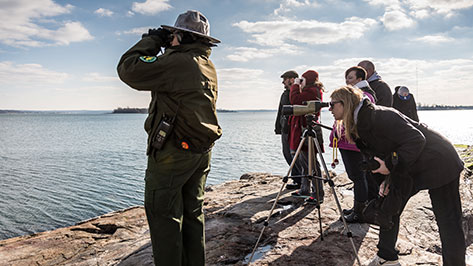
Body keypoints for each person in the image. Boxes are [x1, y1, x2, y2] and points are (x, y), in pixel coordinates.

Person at [117, 10, 222, 266]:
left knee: (163, 216)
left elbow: (128, 69)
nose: (169, 39)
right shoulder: (205, 64)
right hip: (200, 151)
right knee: (192, 214)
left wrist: (152, 40)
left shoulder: (179, 62)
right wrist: (167, 42)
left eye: (173, 35)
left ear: (183, 37)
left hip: (174, 153)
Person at [329, 85, 465, 266]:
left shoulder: (379, 116)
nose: (329, 109)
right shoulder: (361, 121)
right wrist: (386, 179)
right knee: (389, 205)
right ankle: (386, 257)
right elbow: (385, 150)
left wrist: (390, 165)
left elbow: (416, 139)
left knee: (448, 219)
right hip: (412, 165)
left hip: (440, 161)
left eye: (332, 104)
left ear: (344, 104)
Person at [329, 66, 378, 223]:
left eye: (350, 77)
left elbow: (355, 121)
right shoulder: (358, 95)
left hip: (352, 143)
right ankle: (364, 207)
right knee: (360, 176)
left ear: (360, 79)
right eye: (346, 78)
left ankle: (360, 212)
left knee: (358, 177)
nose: (347, 80)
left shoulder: (363, 96)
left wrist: (342, 133)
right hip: (349, 142)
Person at [288, 70, 325, 204]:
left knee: (311, 163)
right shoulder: (312, 90)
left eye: (302, 80)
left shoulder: (311, 91)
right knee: (305, 161)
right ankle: (305, 189)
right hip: (303, 127)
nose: (300, 82)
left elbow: (295, 100)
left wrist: (295, 86)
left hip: (307, 128)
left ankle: (318, 194)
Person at [275, 70, 302, 189]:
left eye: (284, 80)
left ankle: (299, 180)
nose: (282, 82)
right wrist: (278, 127)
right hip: (285, 127)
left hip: (293, 128)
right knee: (287, 153)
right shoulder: (285, 93)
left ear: (291, 79)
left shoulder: (296, 93)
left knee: (294, 154)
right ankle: (297, 179)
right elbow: (280, 111)